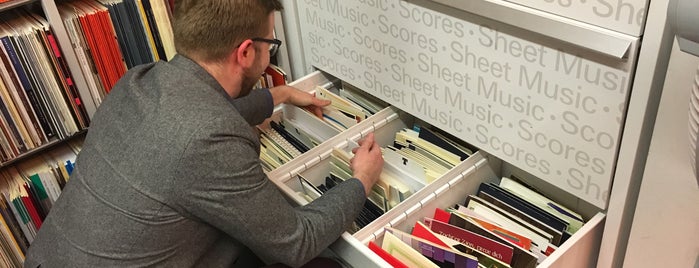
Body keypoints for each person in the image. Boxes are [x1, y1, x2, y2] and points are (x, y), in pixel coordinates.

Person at [23, 0, 384, 267]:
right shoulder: (211, 140)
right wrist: (360, 181)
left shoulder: (139, 81)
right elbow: (297, 242)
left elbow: (196, 117)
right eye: (269, 46)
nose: (269, 56)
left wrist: (281, 94)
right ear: (245, 52)